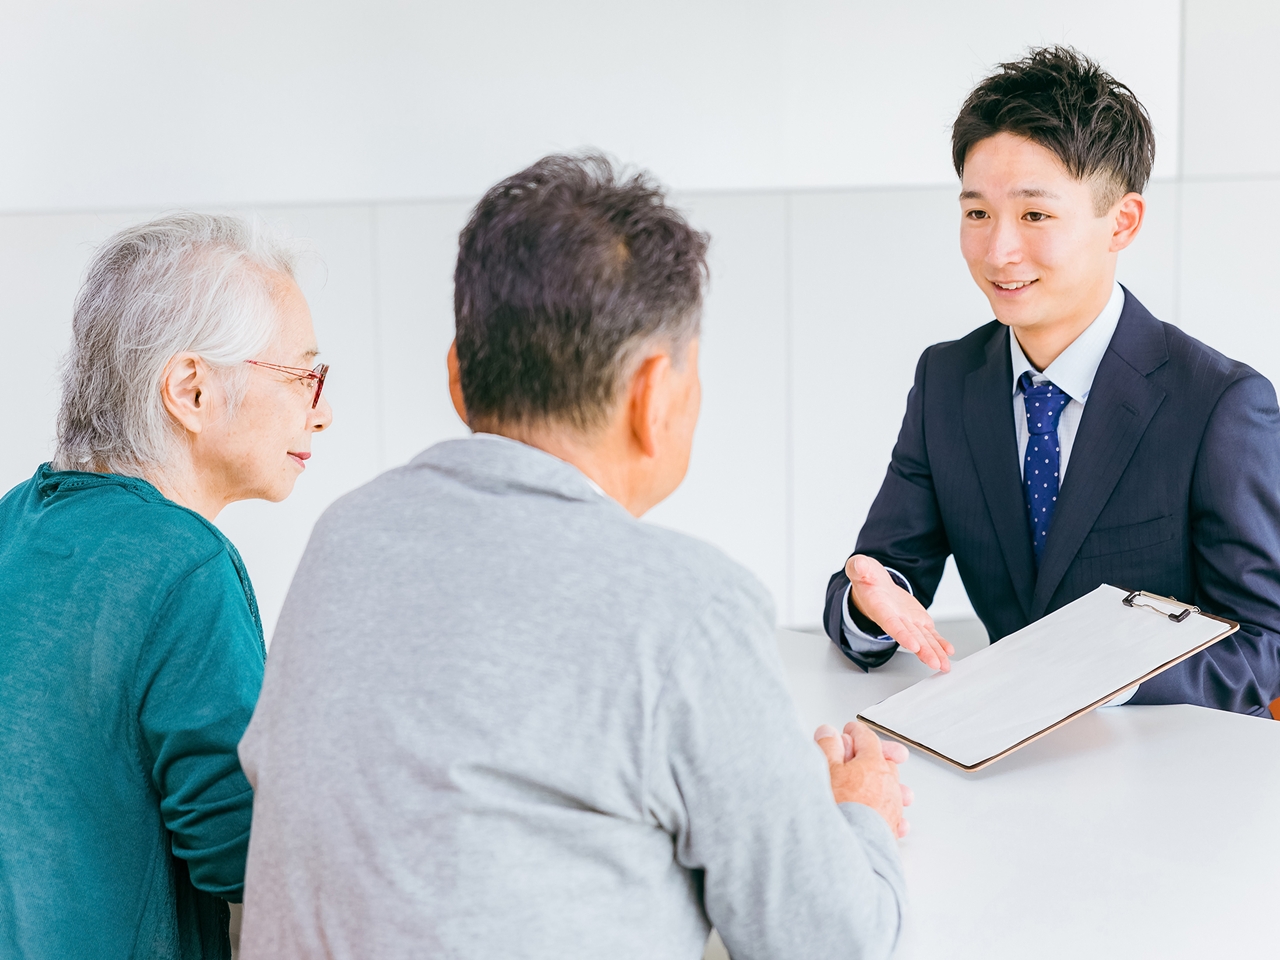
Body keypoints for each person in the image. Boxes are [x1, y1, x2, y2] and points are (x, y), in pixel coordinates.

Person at [238, 155, 910, 960]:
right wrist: (857, 813)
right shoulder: (685, 606)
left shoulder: (346, 538)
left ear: (457, 378)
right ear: (654, 396)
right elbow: (829, 942)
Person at [824, 46, 1280, 716]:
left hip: (1163, 785)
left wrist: (1103, 681)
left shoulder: (1218, 405)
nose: (999, 251)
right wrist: (869, 602)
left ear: (1120, 222)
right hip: (996, 771)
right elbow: (883, 575)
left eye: (1035, 216)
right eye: (977, 213)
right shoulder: (948, 382)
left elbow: (1265, 646)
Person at [0, 214, 333, 959]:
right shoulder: (185, 565)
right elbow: (250, 856)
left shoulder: (11, 525)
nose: (323, 408)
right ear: (191, 389)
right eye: (303, 374)